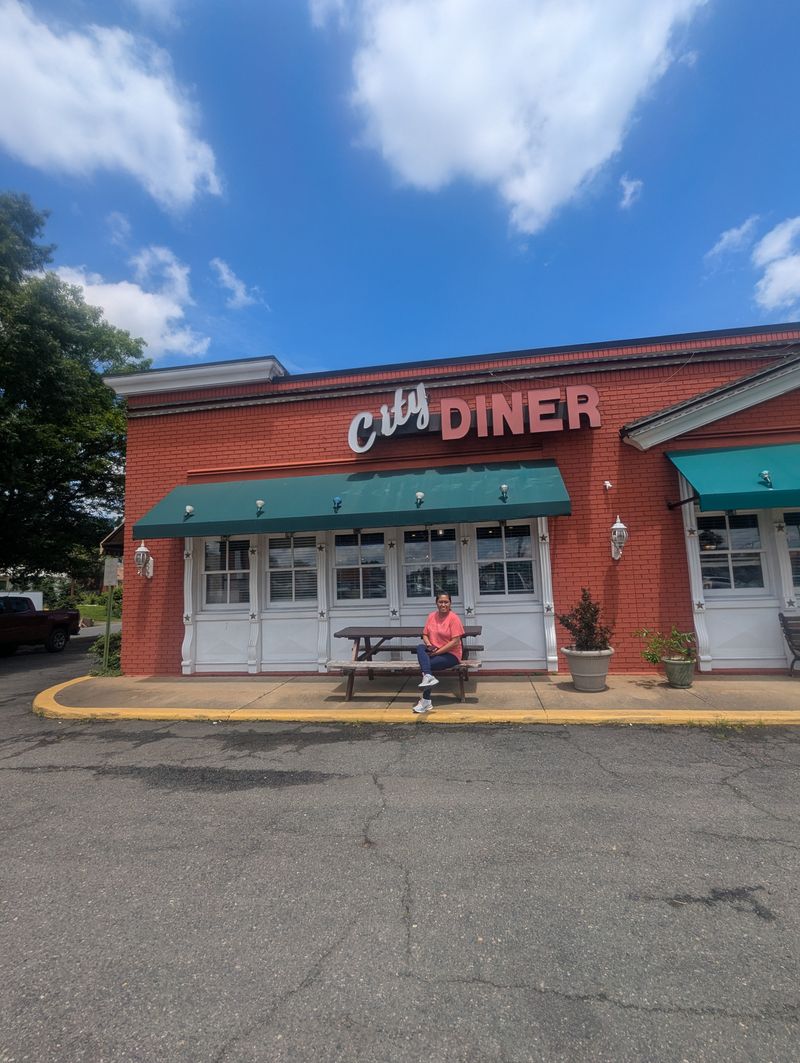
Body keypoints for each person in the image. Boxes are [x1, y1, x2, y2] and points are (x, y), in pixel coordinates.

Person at [413, 592, 465, 714]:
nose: (443, 604)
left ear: (450, 603)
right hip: (434, 650)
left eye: (446, 602)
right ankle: (428, 678)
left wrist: (437, 653)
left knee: (427, 666)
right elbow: (425, 634)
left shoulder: (454, 618)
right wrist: (429, 645)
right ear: (436, 603)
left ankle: (426, 700)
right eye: (440, 602)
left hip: (451, 654)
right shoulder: (431, 616)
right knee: (420, 647)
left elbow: (455, 642)